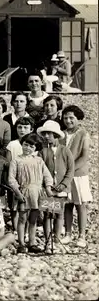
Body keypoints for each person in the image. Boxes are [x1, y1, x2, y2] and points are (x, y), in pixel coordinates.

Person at [8, 133, 53, 254]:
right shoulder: (16, 160)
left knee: (33, 219)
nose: (28, 148)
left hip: (37, 193)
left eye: (31, 147)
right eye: (26, 145)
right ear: (22, 144)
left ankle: (32, 242)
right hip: (23, 191)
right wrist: (17, 192)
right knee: (22, 218)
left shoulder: (39, 160)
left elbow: (47, 175)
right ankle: (22, 243)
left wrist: (48, 188)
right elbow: (11, 179)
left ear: (35, 148)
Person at [38, 120, 74, 254]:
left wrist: (63, 185)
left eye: (50, 134)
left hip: (61, 189)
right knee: (48, 214)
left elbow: (71, 170)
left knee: (59, 214)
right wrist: (47, 186)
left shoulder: (65, 151)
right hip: (48, 189)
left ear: (56, 135)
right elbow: (40, 169)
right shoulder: (43, 151)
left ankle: (57, 239)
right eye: (45, 134)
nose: (47, 136)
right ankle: (48, 242)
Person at [60, 105, 92, 248]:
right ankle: (67, 233)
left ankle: (81, 236)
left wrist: (70, 170)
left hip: (78, 174)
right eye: (65, 118)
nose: (68, 120)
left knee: (80, 204)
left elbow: (84, 156)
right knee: (67, 203)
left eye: (71, 118)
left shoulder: (83, 134)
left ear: (78, 118)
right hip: (64, 174)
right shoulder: (61, 134)